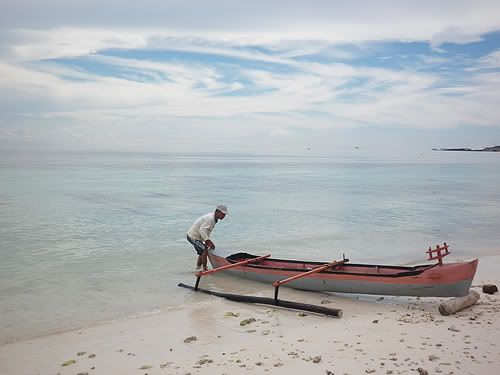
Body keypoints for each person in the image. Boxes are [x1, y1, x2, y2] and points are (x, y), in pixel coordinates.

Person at [187, 205, 227, 271]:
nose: (223, 216)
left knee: (202, 250)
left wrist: (206, 241)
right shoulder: (210, 218)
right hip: (193, 236)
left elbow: (206, 230)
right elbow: (202, 230)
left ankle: (198, 267)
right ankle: (205, 269)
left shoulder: (214, 219)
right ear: (217, 211)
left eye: (224, 215)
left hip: (198, 237)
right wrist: (208, 241)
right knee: (204, 250)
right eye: (222, 214)